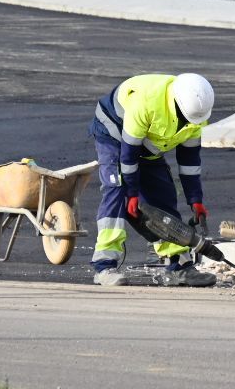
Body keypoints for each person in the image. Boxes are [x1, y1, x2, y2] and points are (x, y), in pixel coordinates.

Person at [89, 72, 216, 287]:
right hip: (115, 132)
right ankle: (104, 266)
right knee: (116, 190)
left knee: (163, 195)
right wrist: (131, 193)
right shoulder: (147, 103)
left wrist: (196, 199)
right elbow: (128, 156)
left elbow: (189, 161)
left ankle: (178, 265)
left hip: (147, 143)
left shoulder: (197, 115)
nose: (188, 122)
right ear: (176, 103)